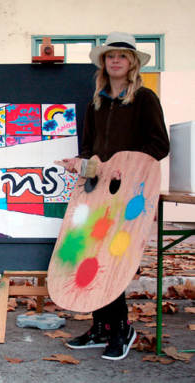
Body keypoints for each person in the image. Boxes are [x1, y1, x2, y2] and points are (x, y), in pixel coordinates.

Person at [58, 32, 169, 361]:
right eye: (110, 56)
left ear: (132, 62)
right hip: (95, 191)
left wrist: (128, 165)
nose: (115, 60)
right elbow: (89, 148)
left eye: (122, 55)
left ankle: (122, 329)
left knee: (111, 259)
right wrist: (80, 163)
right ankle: (100, 327)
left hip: (129, 193)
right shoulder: (97, 102)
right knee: (90, 255)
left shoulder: (145, 99)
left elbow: (159, 145)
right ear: (104, 63)